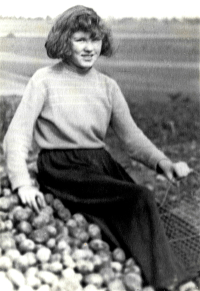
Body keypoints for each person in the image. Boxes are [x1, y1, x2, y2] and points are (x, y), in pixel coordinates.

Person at [3, 5, 193, 290]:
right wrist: (22, 184)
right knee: (138, 198)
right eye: (80, 39)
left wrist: (162, 162)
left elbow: (132, 137)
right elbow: (16, 136)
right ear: (64, 41)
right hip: (62, 167)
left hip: (100, 164)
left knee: (151, 209)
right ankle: (168, 282)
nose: (89, 48)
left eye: (95, 40)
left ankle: (170, 272)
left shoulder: (108, 86)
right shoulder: (43, 80)